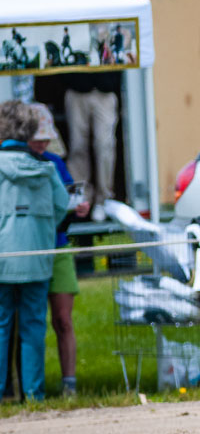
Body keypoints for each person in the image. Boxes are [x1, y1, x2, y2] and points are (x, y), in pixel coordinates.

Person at [0, 101, 70, 402]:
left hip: (3, 260)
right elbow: (61, 207)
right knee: (32, 327)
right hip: (38, 259)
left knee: (2, 326)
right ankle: (34, 394)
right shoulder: (48, 169)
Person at [28, 103, 89, 397]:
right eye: (36, 137)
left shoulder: (55, 162)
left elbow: (69, 198)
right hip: (30, 250)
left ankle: (70, 386)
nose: (42, 143)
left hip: (59, 248)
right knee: (31, 322)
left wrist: (79, 207)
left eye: (45, 137)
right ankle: (30, 387)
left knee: (63, 320)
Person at [62, 70, 121, 221]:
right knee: (76, 146)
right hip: (76, 87)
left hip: (104, 88)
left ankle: (103, 200)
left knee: (104, 146)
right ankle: (79, 199)